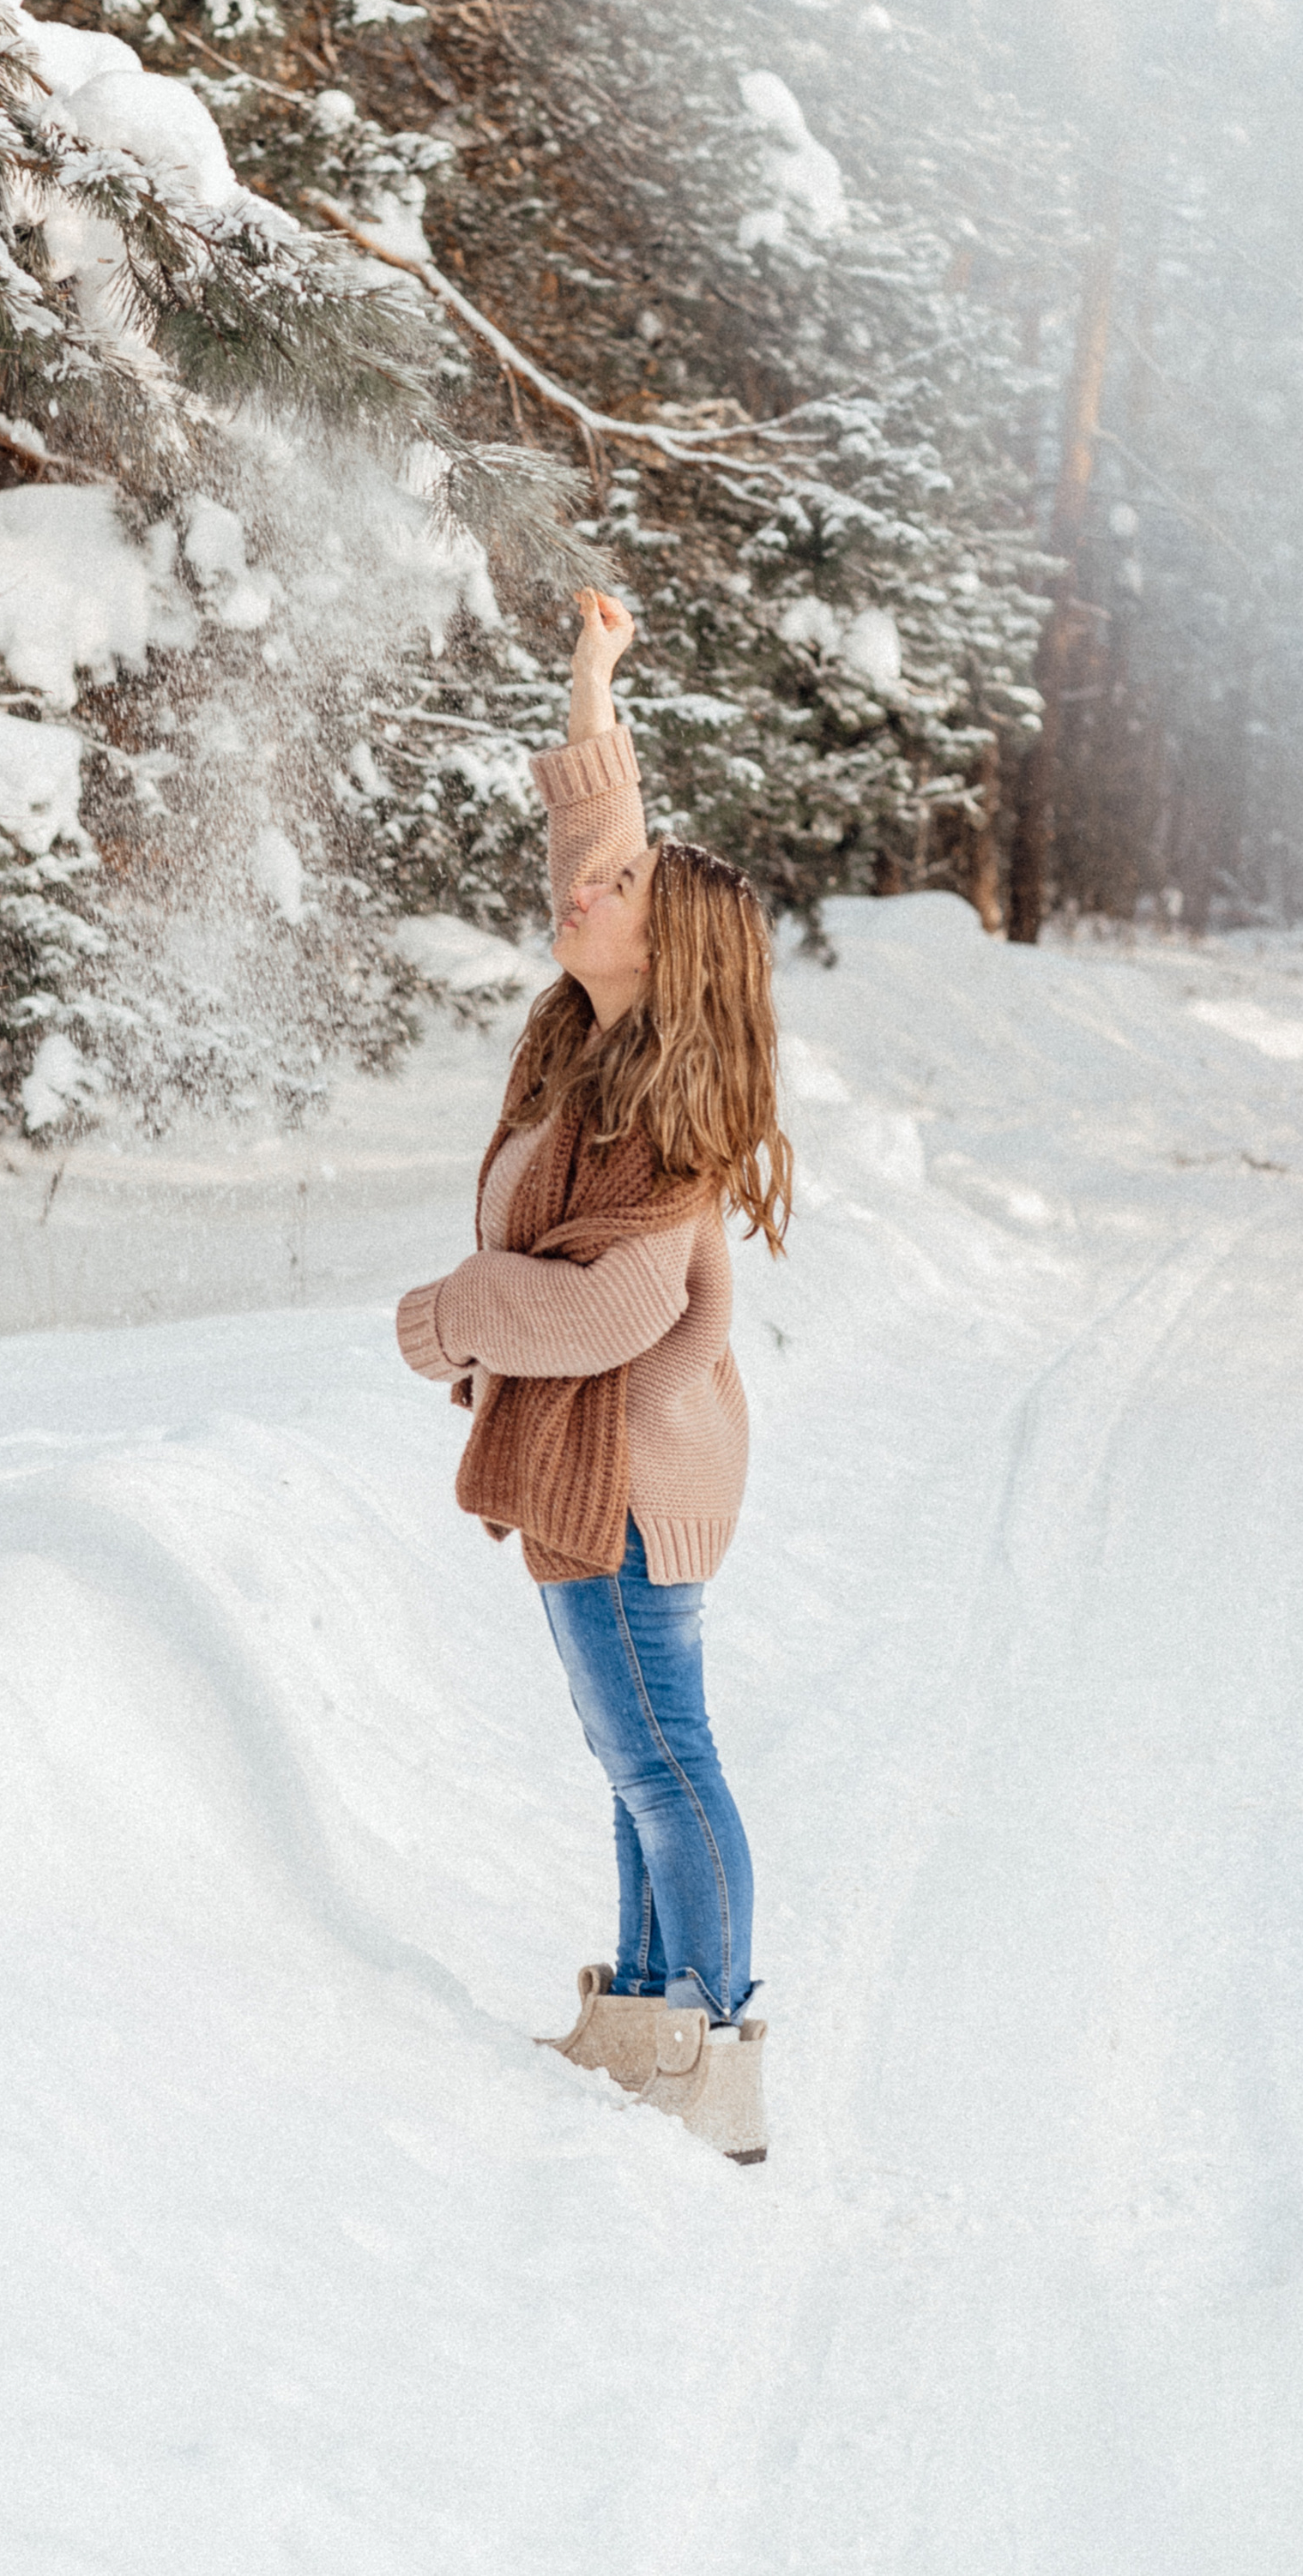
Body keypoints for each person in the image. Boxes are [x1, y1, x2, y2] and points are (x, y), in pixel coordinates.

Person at [395, 589, 793, 2164]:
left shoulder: (657, 1111)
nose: (584, 888)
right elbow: (599, 846)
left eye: (617, 886)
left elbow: (617, 1301)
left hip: (629, 1467)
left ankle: (708, 2038)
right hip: (618, 1462)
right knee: (637, 1753)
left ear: (664, 941)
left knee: (662, 1757)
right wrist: (590, 680)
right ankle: (647, 2009)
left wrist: (458, 1314)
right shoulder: (598, 1043)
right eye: (593, 870)